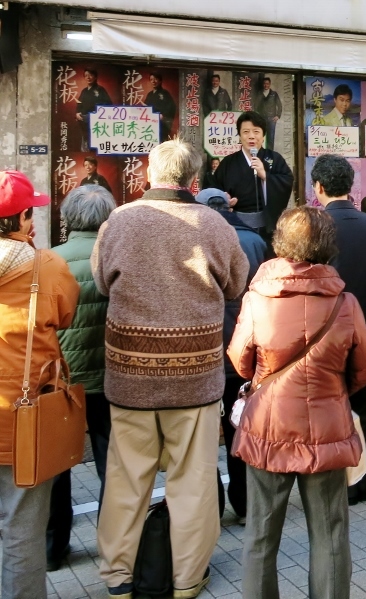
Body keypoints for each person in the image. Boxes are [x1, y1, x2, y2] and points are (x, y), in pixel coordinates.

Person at [92, 139, 249, 599]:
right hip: (196, 376)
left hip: (130, 374)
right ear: (193, 181)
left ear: (148, 172)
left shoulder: (118, 220)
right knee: (194, 479)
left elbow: (102, 281)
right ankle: (186, 578)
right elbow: (237, 282)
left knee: (125, 477)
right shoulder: (214, 223)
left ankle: (119, 575)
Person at [228, 206, 366, 599]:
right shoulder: (344, 303)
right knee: (330, 534)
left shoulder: (258, 297)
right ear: (328, 247)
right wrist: (335, 389)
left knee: (260, 535)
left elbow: (240, 361)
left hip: (268, 427)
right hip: (327, 429)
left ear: (281, 244)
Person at [0, 170, 79, 598]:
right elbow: (65, 314)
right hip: (22, 417)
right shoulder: (45, 266)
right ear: (23, 217)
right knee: (22, 530)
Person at [311, 154, 366, 506]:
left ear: (319, 188)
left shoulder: (314, 227)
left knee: (329, 408)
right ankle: (362, 483)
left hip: (324, 337)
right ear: (351, 187)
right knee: (360, 405)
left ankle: (338, 484)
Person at [46, 184, 116, 572]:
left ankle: (53, 550)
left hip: (62, 380)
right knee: (112, 464)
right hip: (109, 379)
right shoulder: (115, 257)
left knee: (57, 467)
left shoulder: (49, 262)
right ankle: (113, 547)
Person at [196, 187, 267, 522]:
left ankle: (211, 508)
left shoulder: (196, 237)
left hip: (204, 351)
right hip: (245, 349)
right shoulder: (253, 241)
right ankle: (246, 504)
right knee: (241, 427)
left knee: (203, 436)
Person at [212, 111, 294, 254]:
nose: (251, 136)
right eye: (246, 132)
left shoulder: (274, 158)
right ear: (239, 136)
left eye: (256, 131)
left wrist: (265, 176)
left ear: (263, 136)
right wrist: (224, 200)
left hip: (267, 226)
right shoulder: (228, 163)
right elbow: (214, 189)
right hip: (236, 226)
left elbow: (286, 181)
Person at [76, 68, 112, 151]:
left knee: (94, 146)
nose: (88, 77)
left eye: (90, 75)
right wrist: (77, 113)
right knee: (85, 144)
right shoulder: (84, 91)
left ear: (95, 77)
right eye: (86, 76)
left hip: (96, 123)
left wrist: (94, 114)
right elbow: (79, 103)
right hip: (83, 122)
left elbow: (108, 105)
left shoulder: (101, 90)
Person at [144, 72, 177, 142]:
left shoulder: (165, 93)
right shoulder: (149, 94)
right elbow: (146, 107)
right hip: (150, 123)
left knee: (161, 141)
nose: (153, 81)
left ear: (160, 80)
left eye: (155, 79)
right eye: (151, 79)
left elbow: (172, 107)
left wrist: (163, 115)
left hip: (161, 124)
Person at [254, 75, 282, 150]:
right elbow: (255, 106)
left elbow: (279, 105)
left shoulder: (274, 94)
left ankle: (270, 154)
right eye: (264, 83)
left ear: (270, 84)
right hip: (262, 118)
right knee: (261, 136)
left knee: (271, 137)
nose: (266, 85)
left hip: (271, 119)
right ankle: (262, 152)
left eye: (267, 83)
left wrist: (278, 115)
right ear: (263, 84)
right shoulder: (259, 94)